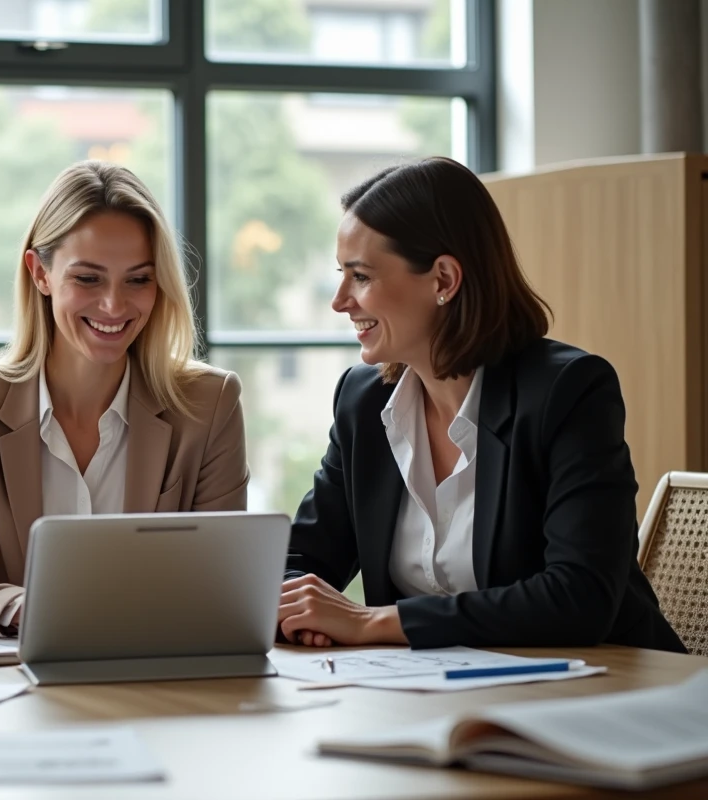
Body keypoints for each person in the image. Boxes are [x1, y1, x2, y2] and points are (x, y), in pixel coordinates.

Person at [278, 157, 685, 653]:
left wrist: (374, 623)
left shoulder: (569, 392)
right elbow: (302, 559)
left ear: (444, 280)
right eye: (341, 275)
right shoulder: (363, 402)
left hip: (605, 693)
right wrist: (299, 610)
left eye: (361, 276)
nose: (340, 301)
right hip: (434, 696)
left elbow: (579, 596)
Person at [0, 161, 249, 636]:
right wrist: (34, 609)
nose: (114, 306)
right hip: (14, 683)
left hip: (158, 673)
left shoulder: (209, 403)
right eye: (88, 279)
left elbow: (224, 577)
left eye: (138, 280)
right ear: (40, 273)